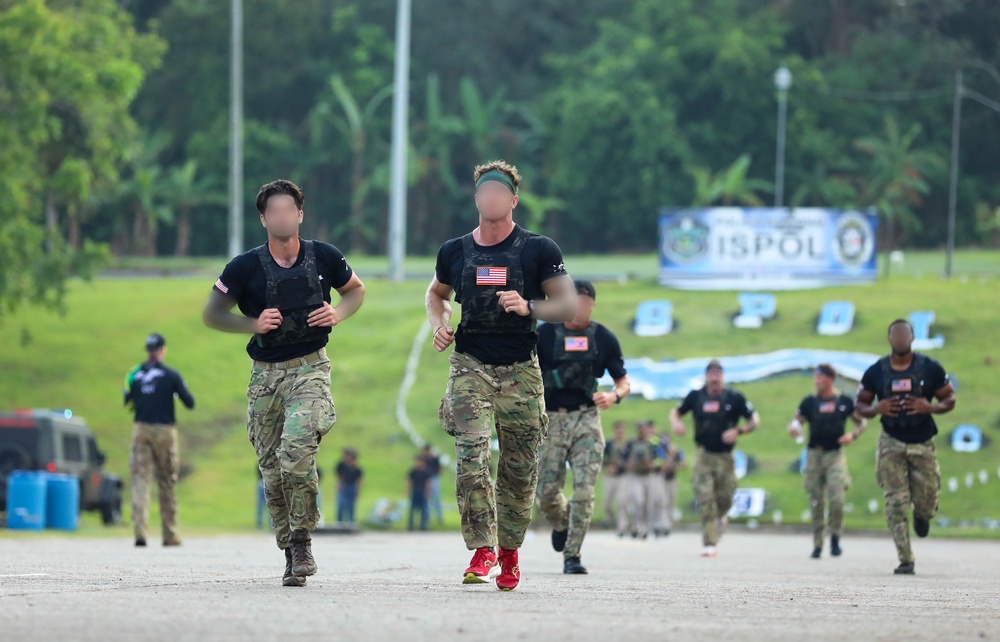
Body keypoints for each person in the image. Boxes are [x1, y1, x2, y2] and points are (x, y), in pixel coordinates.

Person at [202, 179, 366, 587]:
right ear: (263, 219)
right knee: (272, 471)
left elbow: (356, 292)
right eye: (272, 211)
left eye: (287, 210)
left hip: (311, 368)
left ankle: (304, 536)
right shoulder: (244, 267)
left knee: (296, 450)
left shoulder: (325, 256)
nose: (281, 217)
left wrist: (337, 314)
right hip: (265, 378)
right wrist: (251, 323)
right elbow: (212, 313)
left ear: (299, 214)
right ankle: (291, 548)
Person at [426, 159, 577, 591]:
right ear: (477, 199)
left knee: (518, 467)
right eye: (484, 192)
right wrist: (439, 325)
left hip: (521, 370)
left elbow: (566, 305)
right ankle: (482, 549)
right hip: (469, 363)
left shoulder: (538, 249)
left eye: (499, 192)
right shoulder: (454, 251)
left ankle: (509, 552)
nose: (490, 199)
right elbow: (436, 294)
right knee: (471, 458)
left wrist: (531, 307)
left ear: (513, 200)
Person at [536, 279, 630, 574]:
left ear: (592, 305)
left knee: (585, 492)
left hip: (587, 419)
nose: (580, 308)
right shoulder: (546, 334)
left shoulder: (603, 338)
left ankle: (572, 556)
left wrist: (614, 395)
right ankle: (562, 522)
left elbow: (623, 381)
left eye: (586, 303)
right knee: (547, 493)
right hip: (552, 419)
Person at [855, 319, 955, 575]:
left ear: (911, 338)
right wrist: (877, 409)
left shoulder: (929, 368)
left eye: (904, 334)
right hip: (891, 442)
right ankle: (905, 558)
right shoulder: (876, 371)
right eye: (895, 334)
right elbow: (861, 405)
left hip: (922, 441)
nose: (900, 338)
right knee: (895, 501)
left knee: (927, 498)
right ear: (890, 338)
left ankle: (922, 516)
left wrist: (929, 407)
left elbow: (949, 398)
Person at [670, 359, 759, 557]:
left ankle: (721, 518)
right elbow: (675, 412)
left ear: (722, 378)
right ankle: (709, 543)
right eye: (711, 375)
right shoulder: (695, 396)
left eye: (718, 375)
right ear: (706, 378)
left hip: (726, 456)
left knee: (725, 496)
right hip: (703, 455)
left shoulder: (734, 398)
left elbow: (754, 420)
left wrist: (739, 430)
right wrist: (676, 423)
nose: (714, 379)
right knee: (705, 496)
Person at [788, 363, 867, 559]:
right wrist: (794, 427)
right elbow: (797, 420)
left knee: (837, 498)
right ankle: (817, 543)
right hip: (814, 455)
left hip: (835, 455)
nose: (816, 381)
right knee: (816, 500)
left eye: (820, 378)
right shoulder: (809, 402)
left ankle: (835, 537)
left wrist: (853, 435)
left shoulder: (844, 402)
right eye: (815, 377)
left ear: (831, 379)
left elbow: (862, 422)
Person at [124, 333, 195, 547]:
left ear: (147, 350)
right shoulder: (171, 375)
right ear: (163, 349)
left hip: (141, 430)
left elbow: (128, 402)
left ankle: (140, 531)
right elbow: (189, 402)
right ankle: (169, 533)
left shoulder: (134, 375)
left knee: (140, 480)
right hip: (165, 431)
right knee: (166, 481)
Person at [623, 421, 659, 540]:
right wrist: (628, 464)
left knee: (648, 504)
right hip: (635, 476)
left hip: (648, 476)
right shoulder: (631, 443)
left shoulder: (653, 443)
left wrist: (654, 464)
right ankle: (636, 526)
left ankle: (646, 527)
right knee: (638, 501)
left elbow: (661, 457)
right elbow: (623, 457)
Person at [653, 428, 684, 537]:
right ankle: (660, 525)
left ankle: (668, 524)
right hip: (661, 478)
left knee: (671, 501)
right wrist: (670, 457)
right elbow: (661, 466)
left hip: (672, 479)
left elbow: (683, 464)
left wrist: (675, 461)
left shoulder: (677, 451)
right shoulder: (660, 450)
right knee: (662, 501)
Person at [602, 421, 629, 531]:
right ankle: (609, 518)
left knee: (622, 501)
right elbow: (602, 457)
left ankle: (622, 525)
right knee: (607, 502)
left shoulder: (627, 445)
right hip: (610, 476)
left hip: (622, 476)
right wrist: (607, 466)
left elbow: (630, 459)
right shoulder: (609, 444)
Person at [335, 448, 363, 524]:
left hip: (352, 486)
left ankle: (351, 522)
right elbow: (339, 476)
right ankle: (339, 522)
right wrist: (339, 485)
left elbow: (359, 480)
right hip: (344, 486)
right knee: (341, 504)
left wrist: (358, 490)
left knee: (351, 506)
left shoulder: (356, 468)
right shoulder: (341, 465)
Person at [408, 455, 431, 532]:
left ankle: (423, 526)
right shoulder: (413, 471)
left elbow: (427, 483)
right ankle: (410, 526)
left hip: (422, 490)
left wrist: (427, 493)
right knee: (412, 509)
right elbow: (409, 481)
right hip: (415, 489)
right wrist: (408, 491)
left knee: (423, 509)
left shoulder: (425, 472)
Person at [422, 444, 444, 525]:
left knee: (436, 498)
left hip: (434, 478)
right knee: (426, 498)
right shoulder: (424, 458)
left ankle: (439, 517)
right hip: (426, 479)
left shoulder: (435, 458)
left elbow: (439, 468)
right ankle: (426, 517)